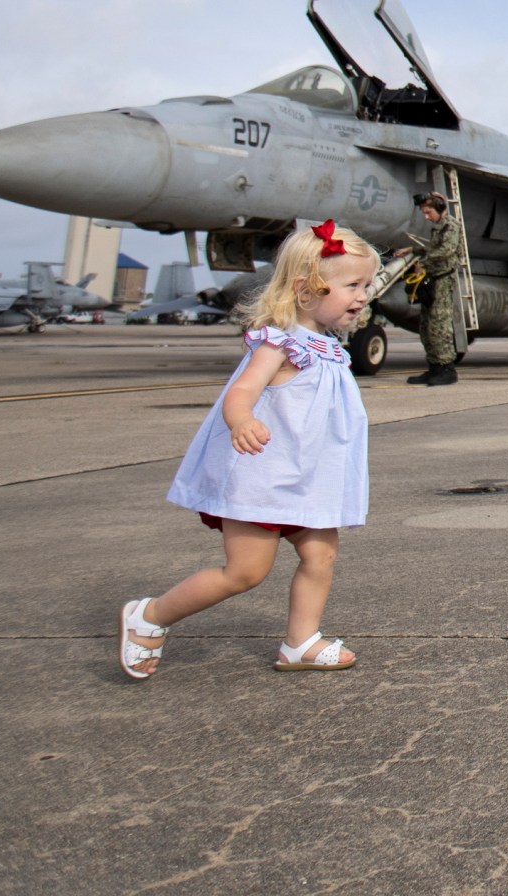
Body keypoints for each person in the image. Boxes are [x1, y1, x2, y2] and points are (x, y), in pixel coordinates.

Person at [118, 220, 378, 678]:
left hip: (306, 479)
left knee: (320, 555)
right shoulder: (278, 343)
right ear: (304, 290)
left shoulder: (330, 348)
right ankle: (150, 616)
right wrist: (242, 420)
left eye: (366, 285)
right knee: (244, 573)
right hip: (263, 478)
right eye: (351, 285)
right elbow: (242, 391)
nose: (363, 295)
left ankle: (301, 642)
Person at [407, 191, 466, 387]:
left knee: (439, 326)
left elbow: (445, 251)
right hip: (432, 281)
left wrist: (422, 263)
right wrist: (411, 250)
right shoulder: (438, 228)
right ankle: (434, 367)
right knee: (427, 327)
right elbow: (433, 248)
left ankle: (446, 369)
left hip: (442, 282)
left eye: (428, 211)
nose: (426, 216)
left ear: (439, 208)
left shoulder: (451, 226)